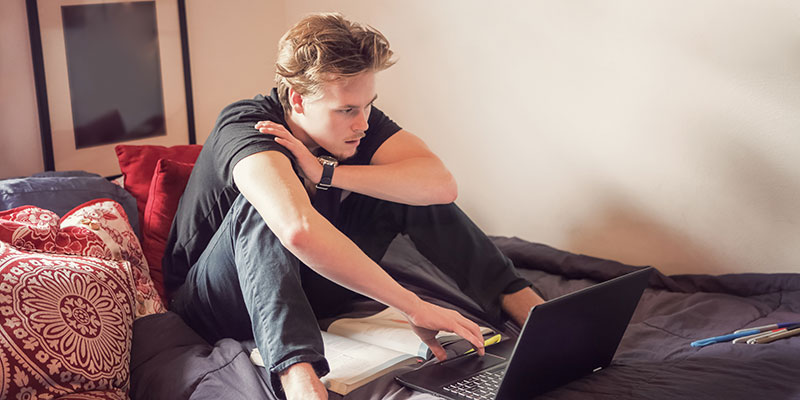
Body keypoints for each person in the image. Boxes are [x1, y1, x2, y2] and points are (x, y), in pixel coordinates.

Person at [164, 12, 544, 400]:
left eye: (368, 106)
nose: (362, 123)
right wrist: (413, 306)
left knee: (404, 190)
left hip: (308, 285)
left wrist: (327, 174)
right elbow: (296, 228)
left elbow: (440, 185)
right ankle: (301, 381)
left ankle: (530, 310)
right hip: (219, 301)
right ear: (297, 98)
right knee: (265, 208)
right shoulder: (247, 125)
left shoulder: (357, 121)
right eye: (347, 110)